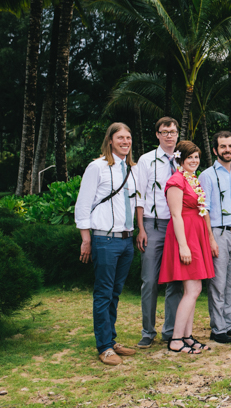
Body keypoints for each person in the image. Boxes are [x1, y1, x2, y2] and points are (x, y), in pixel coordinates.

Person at [75, 123, 138, 365]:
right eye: (120, 137)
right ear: (110, 140)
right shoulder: (97, 167)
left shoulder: (131, 169)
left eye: (129, 137)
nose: (125, 141)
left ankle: (111, 339)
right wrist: (86, 239)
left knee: (115, 293)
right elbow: (83, 204)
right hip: (104, 239)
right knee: (103, 294)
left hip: (126, 241)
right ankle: (104, 347)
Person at [159, 141, 215, 354]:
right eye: (190, 157)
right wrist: (183, 246)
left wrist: (208, 237)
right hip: (185, 237)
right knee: (193, 289)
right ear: (180, 159)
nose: (194, 160)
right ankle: (175, 339)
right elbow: (175, 215)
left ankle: (187, 336)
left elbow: (202, 210)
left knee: (193, 290)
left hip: (196, 236)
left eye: (197, 157)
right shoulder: (176, 181)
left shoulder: (192, 180)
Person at [134, 117, 183, 348]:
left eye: (172, 131)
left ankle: (170, 330)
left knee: (175, 280)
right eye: (164, 132)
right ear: (157, 135)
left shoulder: (184, 159)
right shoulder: (146, 160)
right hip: (153, 225)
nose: (169, 136)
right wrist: (141, 228)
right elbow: (139, 195)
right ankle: (147, 330)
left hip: (178, 227)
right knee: (150, 280)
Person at [198, 131, 231, 344]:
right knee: (218, 283)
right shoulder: (207, 175)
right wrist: (210, 239)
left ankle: (228, 324)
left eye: (230, 146)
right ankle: (217, 328)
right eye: (223, 146)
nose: (227, 150)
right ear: (215, 150)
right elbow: (204, 209)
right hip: (218, 232)